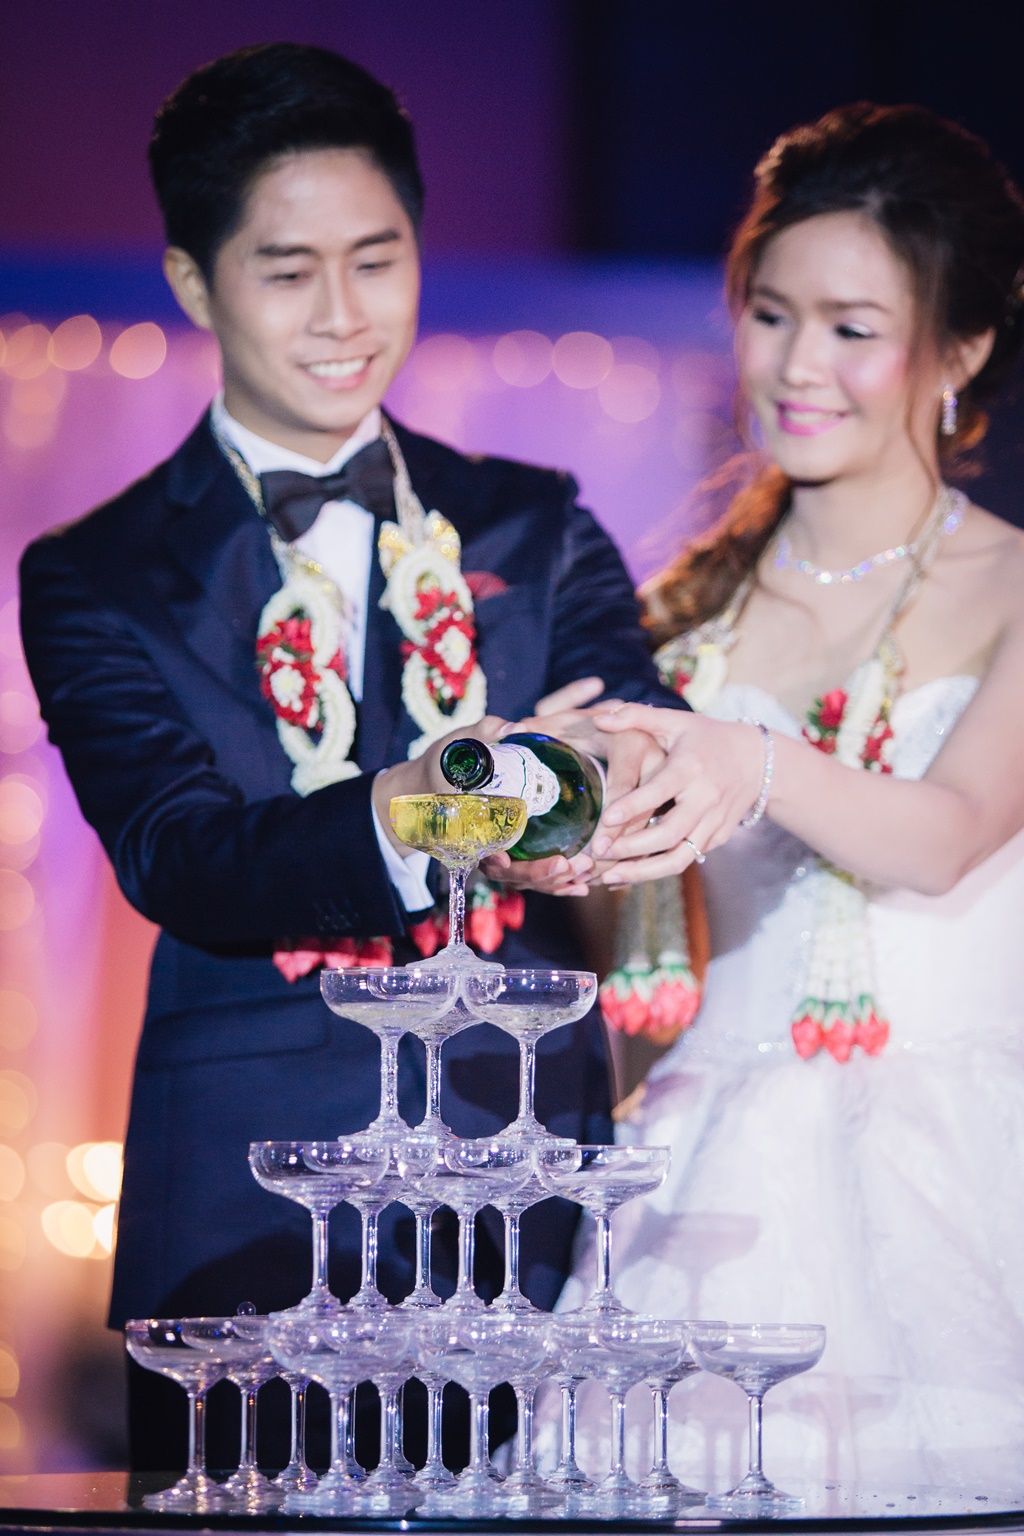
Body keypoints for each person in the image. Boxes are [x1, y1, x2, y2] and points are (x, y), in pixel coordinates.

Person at [17, 41, 677, 1471]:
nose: (342, 316)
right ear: (195, 281)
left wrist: (588, 784)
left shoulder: (533, 521)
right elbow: (181, 853)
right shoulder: (94, 573)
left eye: (377, 261)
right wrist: (428, 808)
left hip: (519, 1158)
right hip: (245, 1200)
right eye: (286, 270)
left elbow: (629, 739)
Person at [553, 102, 1024, 1494]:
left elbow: (945, 838)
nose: (797, 366)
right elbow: (634, 968)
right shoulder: (674, 617)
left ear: (961, 351)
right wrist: (565, 835)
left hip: (965, 1160)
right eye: (770, 315)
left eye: (851, 329)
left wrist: (747, 759)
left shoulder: (1014, 588)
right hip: (708, 1166)